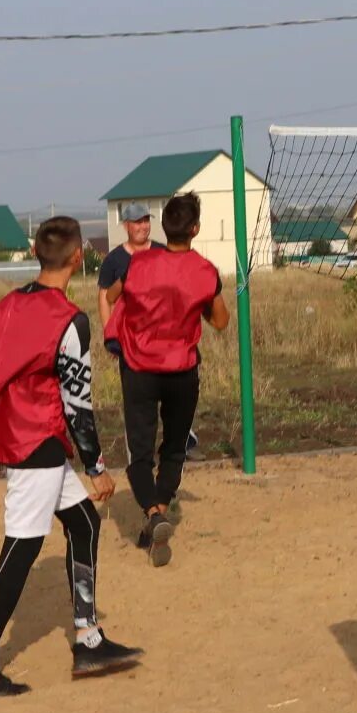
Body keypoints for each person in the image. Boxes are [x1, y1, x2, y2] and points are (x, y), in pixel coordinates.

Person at [0, 216, 143, 697]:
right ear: (78, 257)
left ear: (37, 253)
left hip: (25, 443)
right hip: (40, 449)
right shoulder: (70, 321)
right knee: (20, 549)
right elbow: (78, 404)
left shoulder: (1, 311)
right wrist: (96, 466)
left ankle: (88, 638)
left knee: (84, 524)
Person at [104, 192, 228, 566]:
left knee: (138, 454)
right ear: (195, 229)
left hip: (139, 367)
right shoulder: (204, 271)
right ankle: (158, 511)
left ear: (163, 225)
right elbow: (220, 321)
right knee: (173, 449)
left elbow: (111, 294)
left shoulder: (139, 264)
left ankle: (154, 515)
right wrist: (201, 305)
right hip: (181, 370)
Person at [99, 202, 200, 464]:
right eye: (137, 222)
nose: (143, 226)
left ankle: (180, 442)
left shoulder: (162, 250)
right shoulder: (114, 261)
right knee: (138, 404)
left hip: (166, 340)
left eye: (146, 221)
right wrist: (110, 335)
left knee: (174, 395)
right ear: (126, 226)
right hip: (132, 343)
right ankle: (140, 457)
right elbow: (105, 297)